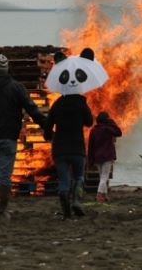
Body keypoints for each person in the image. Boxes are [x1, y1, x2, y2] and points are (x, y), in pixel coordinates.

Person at [0, 54, 46, 220]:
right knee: (4, 175)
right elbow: (31, 108)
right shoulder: (16, 87)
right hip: (8, 137)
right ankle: (1, 209)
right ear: (6, 70)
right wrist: (46, 125)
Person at [43, 82, 94, 219]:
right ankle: (76, 201)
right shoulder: (81, 103)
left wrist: (49, 137)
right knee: (79, 176)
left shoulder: (57, 104)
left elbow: (48, 127)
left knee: (64, 180)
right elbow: (89, 122)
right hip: (77, 148)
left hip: (60, 149)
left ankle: (66, 210)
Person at [88, 111, 122, 203]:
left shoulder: (93, 130)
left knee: (102, 176)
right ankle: (99, 195)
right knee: (104, 177)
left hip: (97, 157)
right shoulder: (108, 129)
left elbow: (90, 146)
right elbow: (119, 132)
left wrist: (90, 160)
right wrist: (112, 122)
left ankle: (105, 195)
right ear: (107, 120)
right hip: (107, 156)